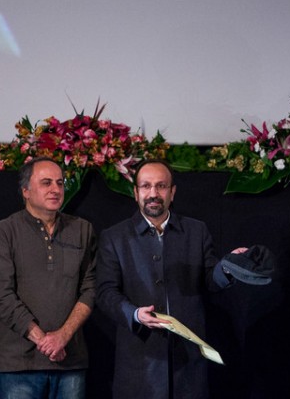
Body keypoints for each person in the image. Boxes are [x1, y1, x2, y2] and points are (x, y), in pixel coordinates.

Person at [95, 159, 241, 399]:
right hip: (140, 366)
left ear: (172, 192)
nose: (153, 193)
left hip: (188, 365)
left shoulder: (197, 231)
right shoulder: (114, 237)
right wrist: (134, 314)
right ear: (135, 193)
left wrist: (228, 267)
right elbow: (105, 293)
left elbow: (210, 279)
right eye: (146, 186)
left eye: (161, 186)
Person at [0, 157, 96, 399]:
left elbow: (91, 289)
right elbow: (0, 296)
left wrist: (63, 336)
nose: (56, 189)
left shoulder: (82, 230)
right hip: (18, 366)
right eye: (46, 183)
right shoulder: (4, 232)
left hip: (70, 362)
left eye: (60, 183)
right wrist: (43, 340)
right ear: (25, 191)